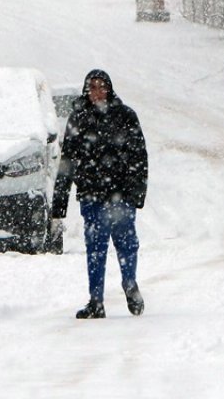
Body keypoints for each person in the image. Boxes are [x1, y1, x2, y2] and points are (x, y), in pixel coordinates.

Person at [52, 69, 148, 319]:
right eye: (92, 87)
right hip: (91, 196)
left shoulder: (125, 116)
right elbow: (68, 161)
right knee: (95, 248)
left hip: (120, 195)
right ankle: (96, 300)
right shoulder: (78, 119)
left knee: (126, 244)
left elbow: (139, 156)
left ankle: (130, 284)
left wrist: (136, 193)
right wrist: (59, 202)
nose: (97, 92)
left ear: (109, 89)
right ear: (86, 90)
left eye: (101, 86)